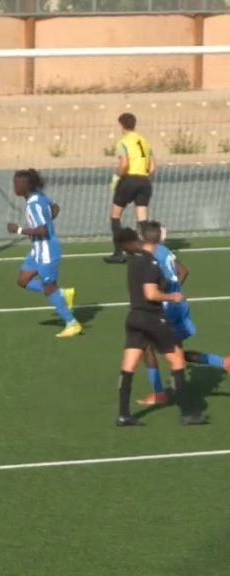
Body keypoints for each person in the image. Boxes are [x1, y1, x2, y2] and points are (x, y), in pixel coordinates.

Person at [113, 227, 208, 426]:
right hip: (153, 319)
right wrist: (171, 296)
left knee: (128, 367)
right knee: (177, 362)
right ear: (156, 242)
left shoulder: (133, 262)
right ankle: (187, 413)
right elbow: (151, 294)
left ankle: (123, 414)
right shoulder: (151, 263)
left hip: (133, 318)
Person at [135, 221, 230, 406]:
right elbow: (184, 272)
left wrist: (162, 297)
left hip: (166, 310)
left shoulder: (150, 257)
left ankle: (160, 393)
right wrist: (175, 294)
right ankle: (223, 362)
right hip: (180, 306)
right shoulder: (166, 251)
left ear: (142, 237)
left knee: (147, 348)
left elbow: (157, 285)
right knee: (176, 351)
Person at [6, 169, 80, 338]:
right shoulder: (40, 197)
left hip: (47, 250)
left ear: (25, 186)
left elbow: (43, 230)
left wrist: (17, 229)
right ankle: (62, 294)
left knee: (48, 288)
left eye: (16, 183)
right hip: (36, 250)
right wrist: (47, 218)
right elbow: (55, 208)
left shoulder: (33, 205)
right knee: (23, 281)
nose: (14, 186)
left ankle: (72, 323)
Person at [104, 113, 156, 264]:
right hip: (145, 181)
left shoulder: (123, 142)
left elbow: (124, 164)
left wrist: (117, 177)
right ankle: (149, 251)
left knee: (115, 216)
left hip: (129, 180)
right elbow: (153, 167)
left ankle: (119, 252)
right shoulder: (145, 141)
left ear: (122, 125)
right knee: (142, 218)